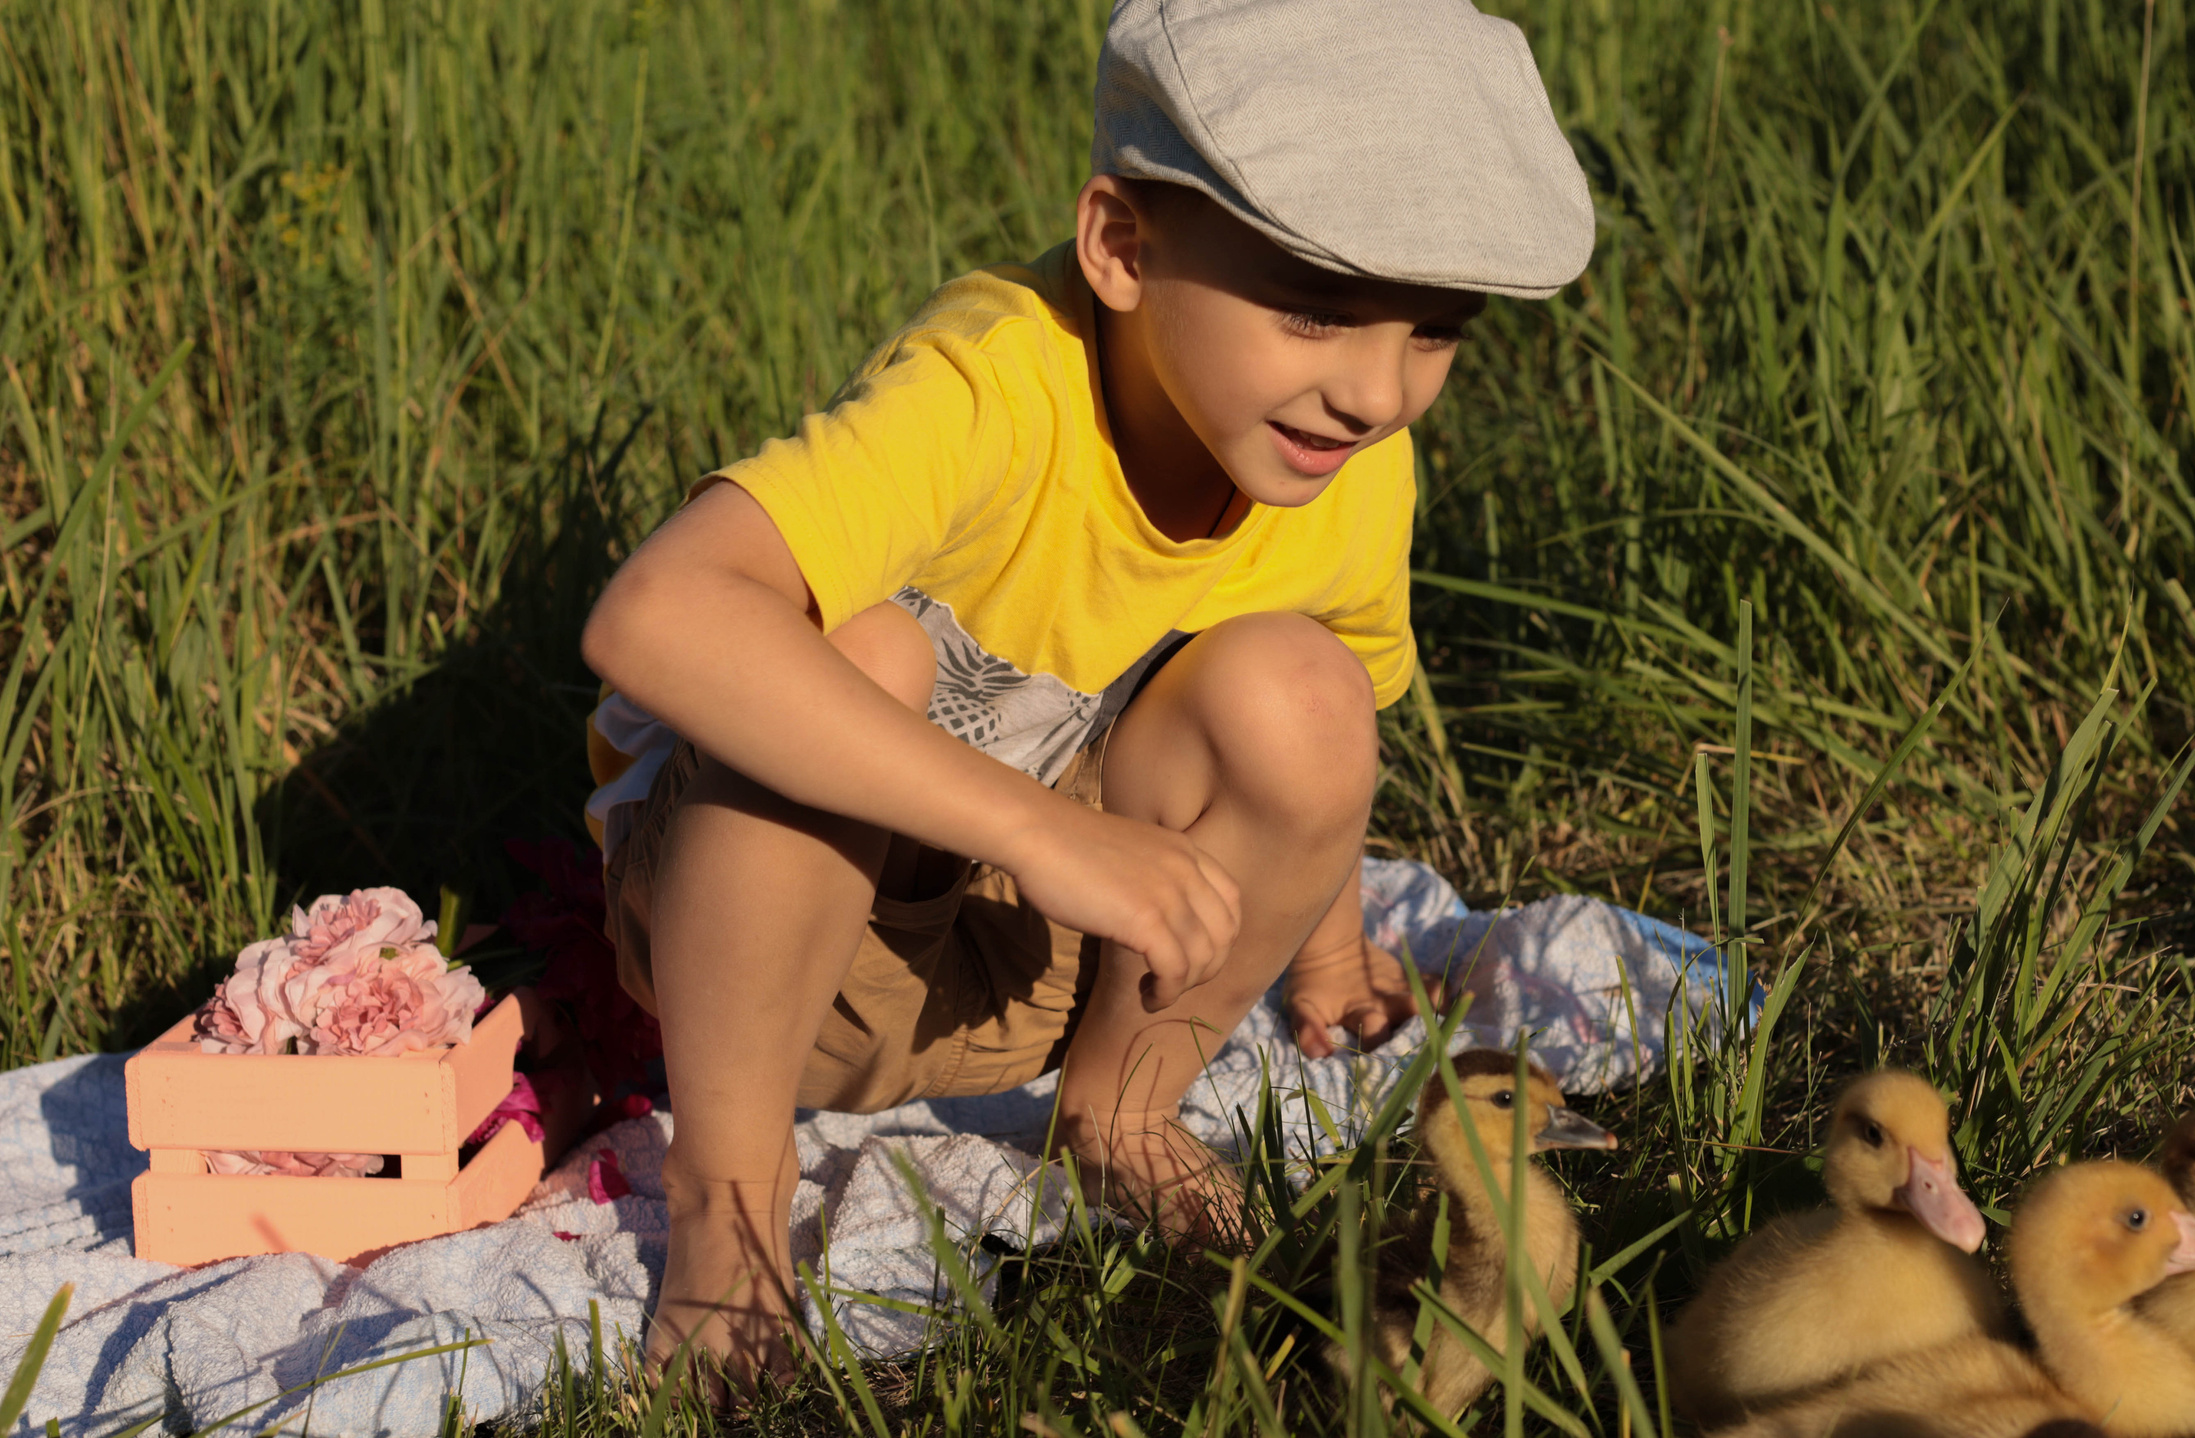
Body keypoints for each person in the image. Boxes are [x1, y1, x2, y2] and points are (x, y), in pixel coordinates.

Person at [577, 0, 1593, 1390]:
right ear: (1122, 246)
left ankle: (1117, 1111)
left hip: (1052, 957)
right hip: (780, 956)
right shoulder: (994, 386)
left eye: (1434, 329)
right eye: (1314, 308)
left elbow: (1332, 728)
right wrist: (1042, 832)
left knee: (1304, 687)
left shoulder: (1343, 459)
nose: (1375, 391)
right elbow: (654, 614)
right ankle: (731, 1208)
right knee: (865, 649)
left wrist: (1328, 954)